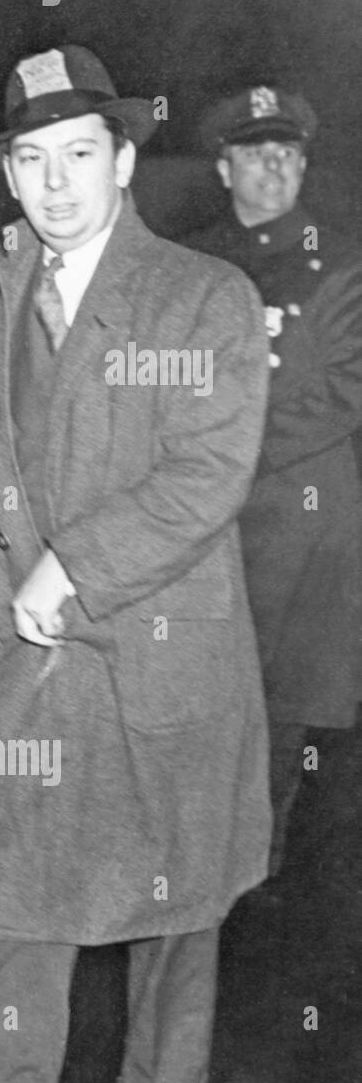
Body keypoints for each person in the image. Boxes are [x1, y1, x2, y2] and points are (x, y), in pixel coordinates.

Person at [0, 45, 270, 1083]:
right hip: (32, 680)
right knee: (11, 927)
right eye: (30, 160)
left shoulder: (201, 296)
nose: (54, 182)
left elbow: (205, 472)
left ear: (121, 160)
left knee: (173, 940)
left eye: (77, 153)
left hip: (158, 672)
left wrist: (70, 566)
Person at [184, 87, 362, 878]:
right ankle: (198, 859)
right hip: (198, 519)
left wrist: (224, 453)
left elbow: (343, 391)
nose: (276, 167)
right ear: (224, 167)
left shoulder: (342, 262)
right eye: (257, 153)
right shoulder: (190, 263)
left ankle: (261, 875)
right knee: (200, 695)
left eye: (288, 153)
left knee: (282, 707)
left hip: (298, 516)